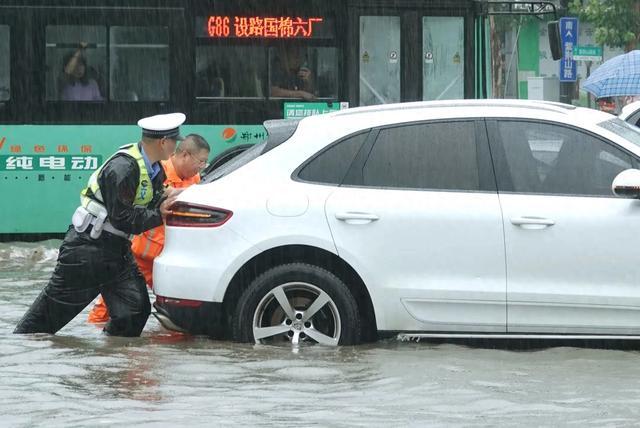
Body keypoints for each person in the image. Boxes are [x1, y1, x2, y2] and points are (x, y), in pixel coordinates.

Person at [13, 113, 185, 337]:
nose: (175, 147)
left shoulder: (154, 169)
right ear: (163, 142)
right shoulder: (123, 167)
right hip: (87, 250)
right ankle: (19, 357)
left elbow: (149, 200)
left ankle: (108, 363)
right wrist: (159, 214)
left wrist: (173, 197)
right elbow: (122, 217)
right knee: (41, 325)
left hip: (117, 251)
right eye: (174, 142)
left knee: (134, 311)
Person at [87, 134, 211, 323]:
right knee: (106, 307)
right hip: (141, 256)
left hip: (171, 258)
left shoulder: (195, 179)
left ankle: (173, 347)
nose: (201, 166)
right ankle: (99, 341)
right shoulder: (158, 172)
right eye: (200, 161)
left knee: (179, 307)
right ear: (185, 155)